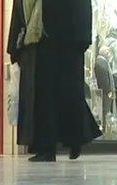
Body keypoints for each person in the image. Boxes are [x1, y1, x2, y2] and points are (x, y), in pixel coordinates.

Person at [8, 0, 102, 162]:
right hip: (36, 46)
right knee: (42, 98)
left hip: (66, 44)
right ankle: (47, 147)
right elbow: (20, 11)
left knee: (66, 94)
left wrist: (83, 39)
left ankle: (72, 139)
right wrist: (13, 47)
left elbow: (81, 7)